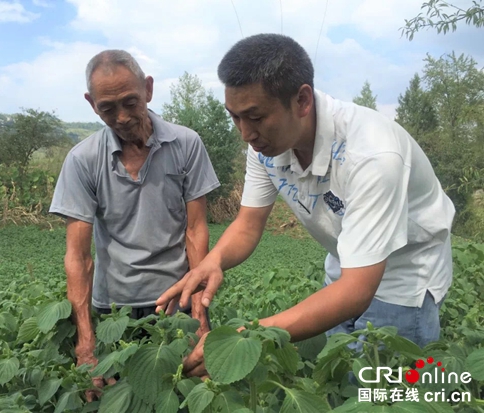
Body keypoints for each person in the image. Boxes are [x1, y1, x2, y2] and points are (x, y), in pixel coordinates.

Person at [156, 34, 455, 378]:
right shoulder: (266, 145)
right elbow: (248, 223)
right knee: (341, 386)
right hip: (344, 271)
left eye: (254, 116)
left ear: (302, 100)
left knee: (384, 395)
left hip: (404, 284)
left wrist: (249, 338)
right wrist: (213, 261)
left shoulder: (372, 155)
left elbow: (357, 291)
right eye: (235, 117)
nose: (244, 133)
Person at [49, 50, 220, 395]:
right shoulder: (82, 160)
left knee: (187, 392)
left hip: (176, 301)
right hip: (114, 309)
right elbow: (78, 258)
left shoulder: (186, 144)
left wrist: (199, 312)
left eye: (130, 102)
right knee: (119, 395)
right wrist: (86, 344)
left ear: (148, 89)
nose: (123, 117)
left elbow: (195, 230)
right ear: (91, 104)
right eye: (108, 108)